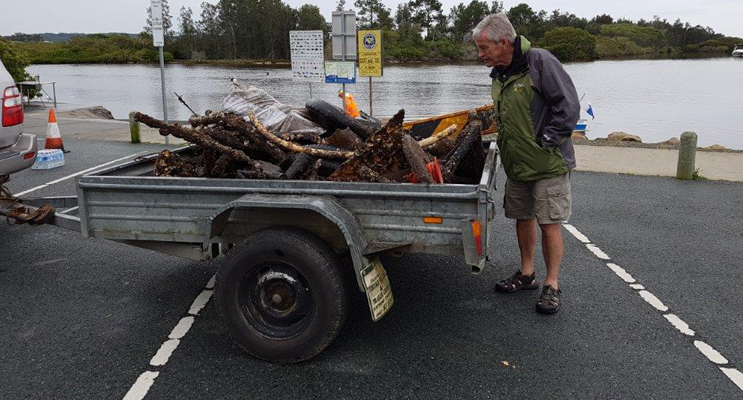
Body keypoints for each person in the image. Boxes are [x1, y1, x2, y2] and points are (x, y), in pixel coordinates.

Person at [473, 14, 579, 314]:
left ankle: (552, 284)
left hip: (547, 164)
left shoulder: (540, 62)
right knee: (523, 218)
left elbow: (568, 107)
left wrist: (545, 141)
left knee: (549, 223)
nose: (480, 55)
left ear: (503, 42)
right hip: (517, 164)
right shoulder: (500, 72)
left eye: (483, 48)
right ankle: (527, 273)